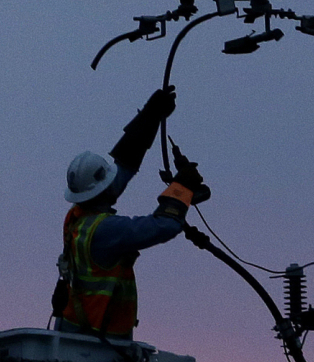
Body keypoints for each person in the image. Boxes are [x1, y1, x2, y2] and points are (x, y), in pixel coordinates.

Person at [52, 87, 212, 338]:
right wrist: (182, 187)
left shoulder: (77, 217)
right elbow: (165, 226)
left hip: (76, 330)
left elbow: (125, 164)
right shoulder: (104, 230)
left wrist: (150, 116)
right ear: (101, 189)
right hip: (98, 341)